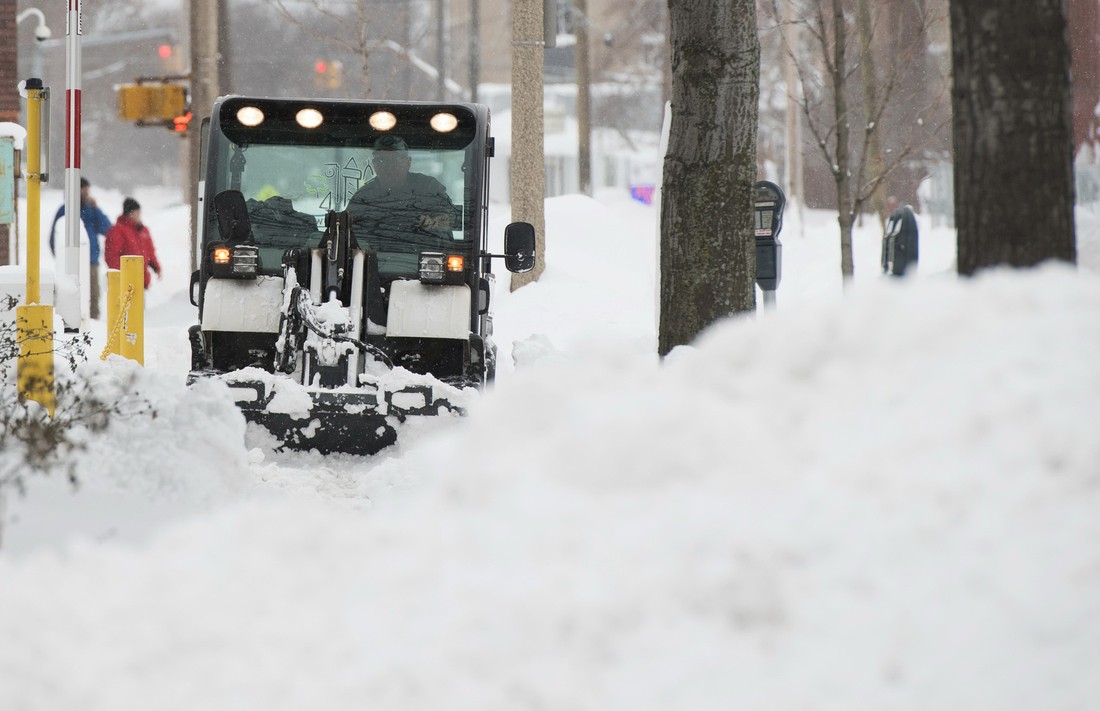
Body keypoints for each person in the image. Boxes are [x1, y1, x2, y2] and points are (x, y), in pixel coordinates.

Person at [346, 135, 459, 252]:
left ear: (408, 162)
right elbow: (347, 232)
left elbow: (450, 219)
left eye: (395, 160)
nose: (388, 166)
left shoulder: (429, 188)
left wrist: (433, 222)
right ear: (374, 164)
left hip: (426, 261)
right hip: (372, 263)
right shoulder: (363, 198)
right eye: (381, 160)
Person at [49, 177, 112, 319]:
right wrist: (61, 258)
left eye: (87, 191)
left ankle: (93, 323)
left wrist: (96, 209)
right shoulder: (64, 210)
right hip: (70, 263)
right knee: (70, 295)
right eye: (84, 190)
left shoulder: (91, 210)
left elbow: (107, 228)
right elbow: (54, 237)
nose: (86, 194)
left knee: (93, 295)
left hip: (91, 261)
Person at [104, 198, 162, 289]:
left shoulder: (143, 230)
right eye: (137, 212)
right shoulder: (117, 231)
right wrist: (125, 275)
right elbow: (111, 256)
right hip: (125, 284)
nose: (139, 215)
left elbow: (149, 252)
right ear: (130, 213)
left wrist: (156, 267)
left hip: (140, 280)